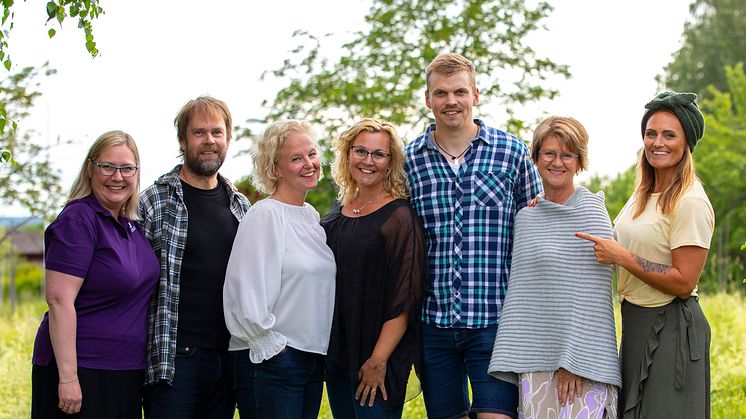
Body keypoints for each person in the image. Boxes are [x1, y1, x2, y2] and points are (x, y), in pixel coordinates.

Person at [405, 52, 543, 419]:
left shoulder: (511, 154)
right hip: (433, 323)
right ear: (428, 99)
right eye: (441, 93)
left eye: (459, 92)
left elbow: (539, 229)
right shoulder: (408, 162)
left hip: (495, 321)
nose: (451, 101)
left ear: (475, 95)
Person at [577, 91, 714, 418]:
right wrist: (547, 202)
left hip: (672, 328)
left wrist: (622, 257)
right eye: (651, 133)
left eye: (669, 134)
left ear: (687, 143)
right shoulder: (644, 194)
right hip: (636, 323)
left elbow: (683, 281)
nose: (658, 142)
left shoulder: (690, 201)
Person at [488, 116, 620, 418]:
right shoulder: (526, 218)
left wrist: (573, 361)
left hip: (579, 366)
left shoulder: (591, 212)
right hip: (533, 360)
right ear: (535, 158)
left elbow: (594, 296)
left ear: (579, 161)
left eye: (567, 155)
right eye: (549, 153)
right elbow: (524, 294)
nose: (557, 162)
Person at [31, 131, 159, 419]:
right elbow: (59, 300)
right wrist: (67, 378)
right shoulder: (78, 219)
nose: (117, 176)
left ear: (137, 173)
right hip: (83, 369)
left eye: (127, 168)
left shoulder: (131, 226)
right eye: (107, 167)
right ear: (90, 169)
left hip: (125, 370)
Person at [140, 96, 251, 419]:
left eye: (217, 132)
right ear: (182, 140)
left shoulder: (240, 206)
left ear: (228, 139)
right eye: (199, 133)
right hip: (175, 360)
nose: (209, 141)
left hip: (229, 355)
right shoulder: (155, 201)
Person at [223, 120, 336, 419]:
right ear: (275, 169)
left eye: (311, 154)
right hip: (272, 360)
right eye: (296, 159)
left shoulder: (311, 217)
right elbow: (244, 289)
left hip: (311, 360)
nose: (309, 164)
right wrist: (271, 347)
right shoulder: (265, 214)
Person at [321, 118, 427, 418]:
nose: (368, 161)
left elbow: (405, 296)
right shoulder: (337, 210)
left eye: (378, 154)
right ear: (347, 154)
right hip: (337, 353)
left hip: (377, 356)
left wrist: (378, 359)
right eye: (360, 151)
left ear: (390, 162)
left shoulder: (400, 215)